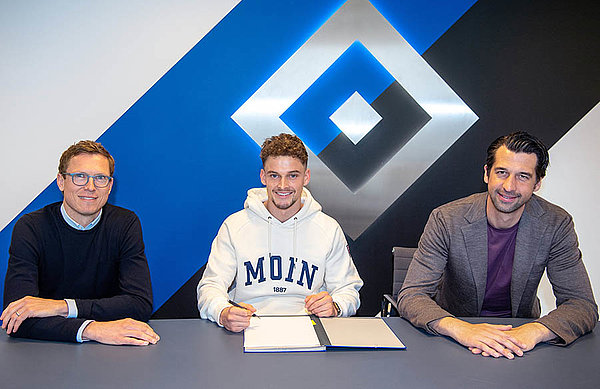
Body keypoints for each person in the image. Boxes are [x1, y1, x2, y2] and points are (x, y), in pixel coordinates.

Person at [398, 131, 597, 359]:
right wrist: (461, 329)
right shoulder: (446, 219)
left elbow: (582, 304)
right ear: (486, 174)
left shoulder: (555, 224)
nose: (509, 186)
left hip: (520, 339)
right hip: (455, 339)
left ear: (538, 183)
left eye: (523, 176)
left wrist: (535, 330)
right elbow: (412, 295)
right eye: (502, 172)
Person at [197, 133, 363, 332]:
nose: (283, 186)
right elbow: (209, 287)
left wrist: (336, 306)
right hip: (248, 329)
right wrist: (223, 312)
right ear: (263, 177)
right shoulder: (234, 226)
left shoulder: (328, 228)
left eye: (292, 176)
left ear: (306, 177)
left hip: (310, 329)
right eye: (274, 175)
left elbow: (348, 290)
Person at [1, 140, 159, 345]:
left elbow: (139, 304)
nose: (90, 187)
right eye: (80, 177)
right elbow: (17, 318)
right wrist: (93, 329)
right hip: (45, 352)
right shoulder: (31, 227)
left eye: (100, 178)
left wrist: (61, 307)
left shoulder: (125, 224)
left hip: (111, 355)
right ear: (61, 181)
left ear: (110, 186)